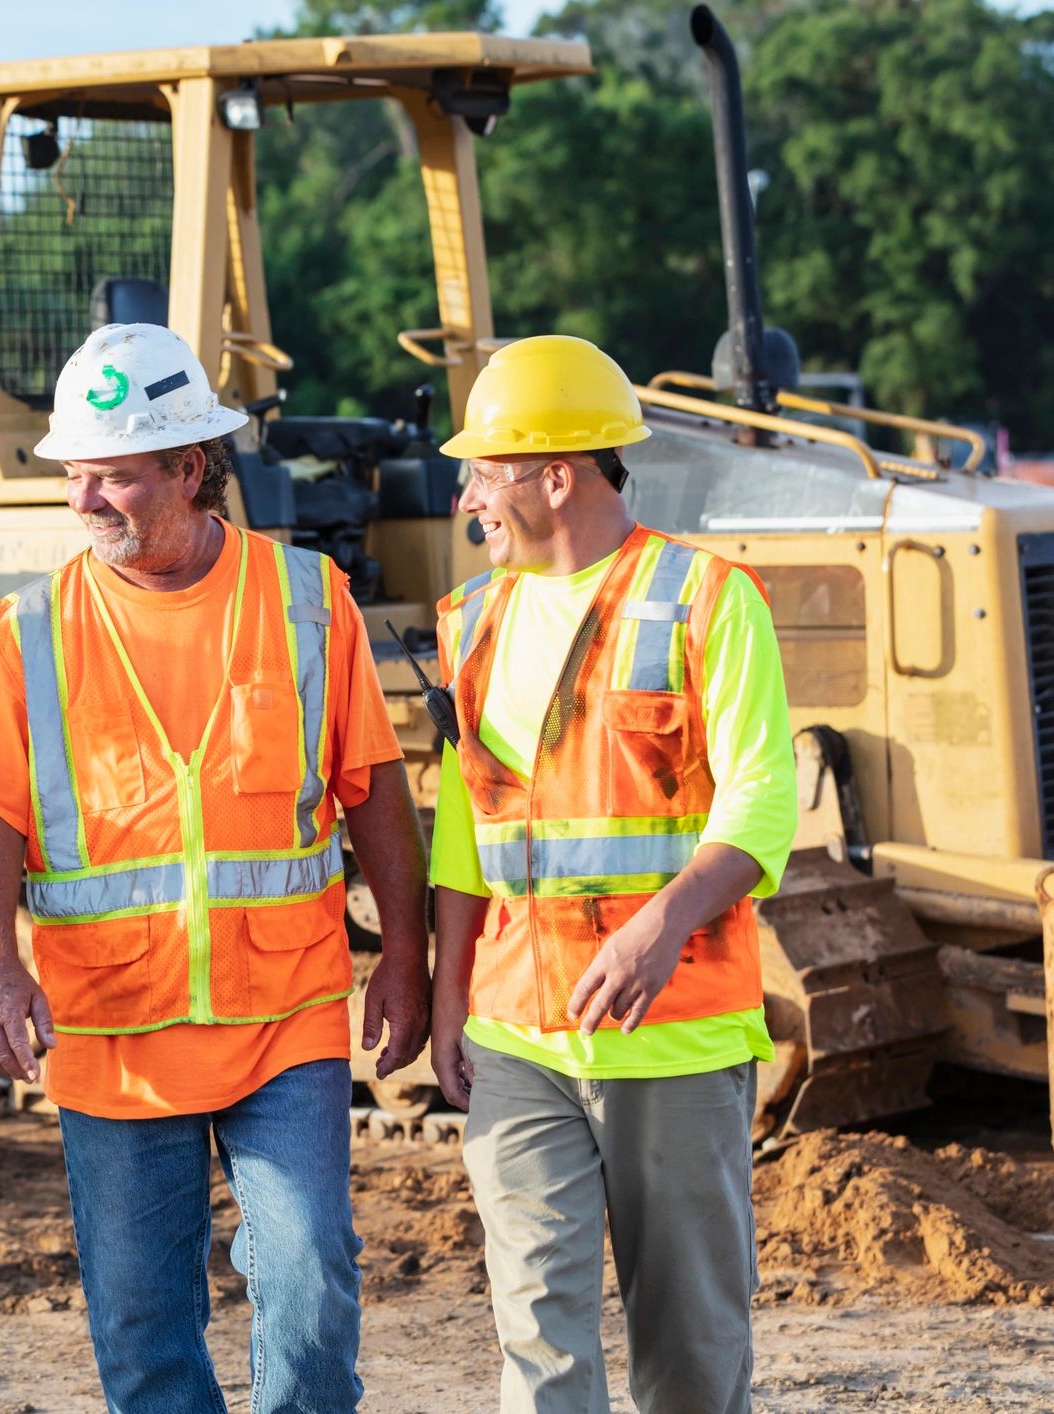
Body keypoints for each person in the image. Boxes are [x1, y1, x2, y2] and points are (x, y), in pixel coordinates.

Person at [0, 323, 431, 1413]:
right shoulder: (32, 632)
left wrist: (403, 957)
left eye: (111, 475)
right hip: (113, 1032)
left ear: (189, 467)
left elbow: (375, 790)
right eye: (74, 474)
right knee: (144, 1326)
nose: (82, 502)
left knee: (310, 1282)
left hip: (285, 1017)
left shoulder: (309, 600)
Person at [425, 335, 796, 1414]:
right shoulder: (472, 619)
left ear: (557, 475)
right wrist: (453, 994)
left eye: (484, 474)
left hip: (671, 1035)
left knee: (687, 1355)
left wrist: (659, 926)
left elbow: (760, 801)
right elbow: (468, 828)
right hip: (516, 1039)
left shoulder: (706, 599)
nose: (465, 500)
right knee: (538, 1341)